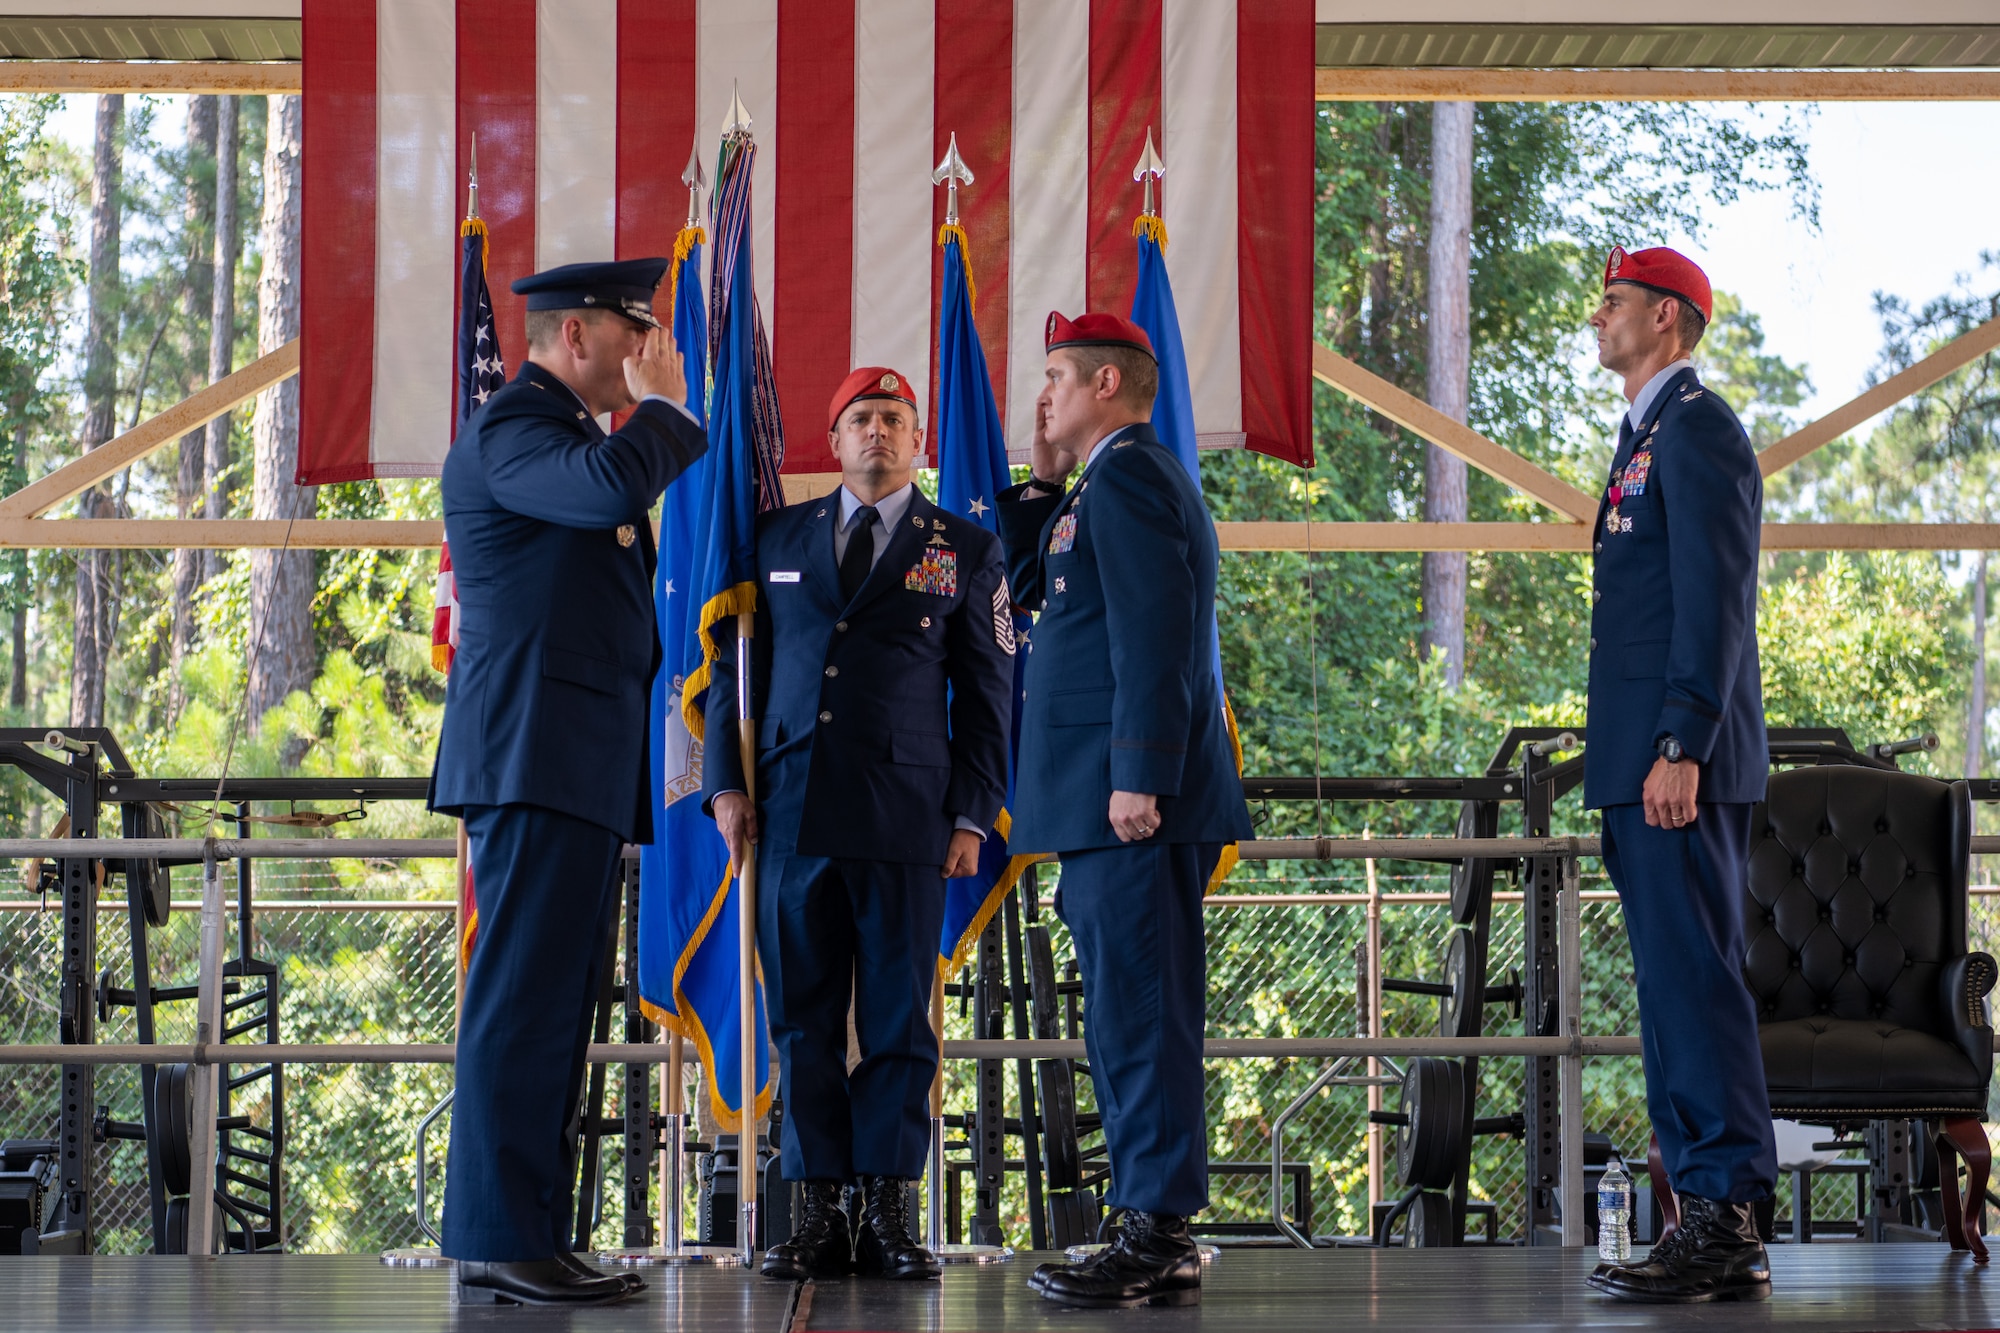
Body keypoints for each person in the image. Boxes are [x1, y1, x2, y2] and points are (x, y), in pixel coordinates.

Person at [428, 258, 707, 1308]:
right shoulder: (515, 430)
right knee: (523, 1004)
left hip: (574, 763)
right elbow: (603, 495)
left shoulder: (570, 434)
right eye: (632, 332)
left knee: (556, 1008)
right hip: (533, 757)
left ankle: (532, 1230)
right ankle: (502, 1232)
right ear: (576, 332)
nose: (643, 351)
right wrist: (667, 409)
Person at [704, 367, 1014, 1283]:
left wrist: (971, 809)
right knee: (800, 1020)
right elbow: (732, 671)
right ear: (831, 440)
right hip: (788, 813)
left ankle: (886, 1209)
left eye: (894, 418)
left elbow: (991, 693)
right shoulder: (772, 537)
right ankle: (814, 1210)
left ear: (918, 440)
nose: (877, 432)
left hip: (906, 816)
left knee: (896, 1023)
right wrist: (725, 785)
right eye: (860, 419)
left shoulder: (963, 546)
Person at [995, 312, 1252, 1309]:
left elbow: (1155, 634)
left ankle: (1153, 1224)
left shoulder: (1137, 475)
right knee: (1120, 1013)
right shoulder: (1098, 483)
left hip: (1130, 799)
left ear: (1108, 383)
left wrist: (1139, 771)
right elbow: (1042, 598)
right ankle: (1148, 1217)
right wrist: (1038, 485)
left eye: (1056, 375)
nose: (1044, 393)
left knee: (1139, 1016)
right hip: (1096, 799)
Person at [1579, 246, 1778, 1305]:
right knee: (1667, 990)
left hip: (1674, 764)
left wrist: (1680, 742)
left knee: (1695, 986)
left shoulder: (1696, 430)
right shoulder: (1641, 438)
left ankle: (1725, 1212)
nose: (1595, 319)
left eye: (1611, 304)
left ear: (1665, 317)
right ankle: (1697, 1208)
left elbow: (1713, 597)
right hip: (1636, 762)